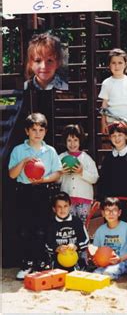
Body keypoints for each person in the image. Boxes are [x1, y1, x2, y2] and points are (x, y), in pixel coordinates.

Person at [8, 113, 62, 279]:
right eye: (34, 130)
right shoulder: (19, 150)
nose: (37, 133)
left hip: (43, 191)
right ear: (27, 131)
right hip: (24, 191)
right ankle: (27, 263)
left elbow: (58, 173)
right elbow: (12, 174)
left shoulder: (50, 151)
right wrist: (24, 162)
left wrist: (43, 179)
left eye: (41, 130)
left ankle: (41, 262)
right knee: (25, 229)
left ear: (45, 132)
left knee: (42, 228)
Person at [24, 33, 68, 145]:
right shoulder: (26, 87)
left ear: (58, 63)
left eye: (49, 60)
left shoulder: (64, 87)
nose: (44, 66)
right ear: (30, 64)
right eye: (38, 61)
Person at [96, 122, 127, 228]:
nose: (117, 139)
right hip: (111, 204)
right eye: (114, 136)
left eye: (120, 135)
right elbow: (103, 179)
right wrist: (100, 198)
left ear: (126, 136)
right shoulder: (108, 158)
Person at [99, 48, 127, 152]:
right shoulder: (107, 83)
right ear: (109, 65)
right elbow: (104, 105)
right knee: (116, 148)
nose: (117, 66)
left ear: (125, 64)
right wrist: (103, 122)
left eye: (120, 63)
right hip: (113, 122)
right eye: (113, 63)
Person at [58, 124, 99, 224]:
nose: (72, 144)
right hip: (67, 200)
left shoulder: (86, 158)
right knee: (68, 224)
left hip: (84, 199)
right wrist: (61, 172)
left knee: (82, 225)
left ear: (80, 141)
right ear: (65, 141)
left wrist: (82, 172)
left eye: (75, 140)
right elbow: (57, 180)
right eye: (69, 141)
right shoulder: (60, 157)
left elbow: (95, 178)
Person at [91, 198, 127, 280]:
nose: (111, 213)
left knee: (109, 273)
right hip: (105, 263)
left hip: (123, 261)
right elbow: (95, 249)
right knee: (96, 274)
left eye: (114, 210)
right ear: (103, 213)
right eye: (107, 210)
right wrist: (96, 259)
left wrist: (120, 259)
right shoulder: (100, 230)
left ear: (119, 213)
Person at [45, 192, 89, 271]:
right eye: (59, 207)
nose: (63, 210)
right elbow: (47, 244)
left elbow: (86, 241)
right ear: (54, 209)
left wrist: (76, 246)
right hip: (57, 261)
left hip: (76, 260)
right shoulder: (50, 224)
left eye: (65, 206)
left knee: (77, 280)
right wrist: (57, 248)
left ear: (70, 207)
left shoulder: (77, 221)